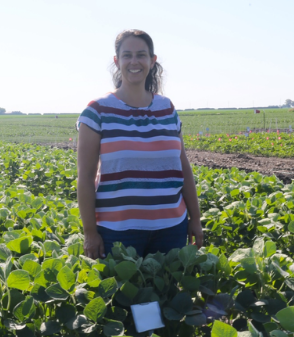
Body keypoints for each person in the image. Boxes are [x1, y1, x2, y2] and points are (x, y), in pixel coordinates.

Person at [76, 29, 204, 260]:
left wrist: (195, 218)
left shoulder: (167, 108)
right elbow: (85, 177)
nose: (134, 62)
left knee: (168, 294)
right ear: (117, 61)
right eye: (127, 55)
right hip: (117, 232)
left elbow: (183, 167)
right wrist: (90, 232)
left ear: (152, 61)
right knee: (125, 295)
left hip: (172, 228)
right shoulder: (97, 111)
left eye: (141, 55)